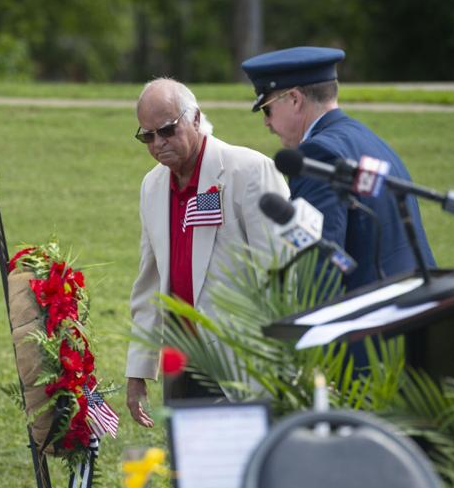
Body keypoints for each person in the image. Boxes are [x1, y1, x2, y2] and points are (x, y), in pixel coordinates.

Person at [125, 78, 290, 427]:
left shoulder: (250, 170)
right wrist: (138, 369)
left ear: (195, 118)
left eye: (167, 130)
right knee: (188, 475)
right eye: (147, 136)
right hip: (182, 363)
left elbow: (282, 274)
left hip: (243, 363)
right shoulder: (152, 186)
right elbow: (150, 282)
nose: (158, 143)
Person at [241, 46, 435, 292]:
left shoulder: (317, 154)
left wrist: (311, 326)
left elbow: (320, 264)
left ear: (294, 99)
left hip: (374, 314)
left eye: (267, 109)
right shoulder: (367, 139)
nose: (266, 122)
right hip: (415, 297)